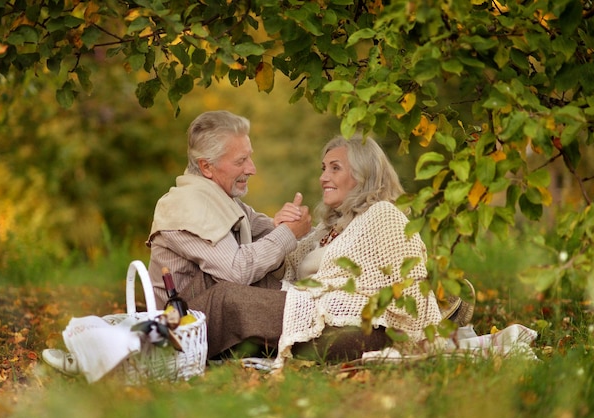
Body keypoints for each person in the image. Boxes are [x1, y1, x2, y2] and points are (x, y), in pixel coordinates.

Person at [146, 110, 312, 358]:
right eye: (240, 161)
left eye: (250, 157)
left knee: (270, 284)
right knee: (233, 295)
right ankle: (323, 326)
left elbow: (261, 228)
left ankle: (325, 314)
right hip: (181, 329)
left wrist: (284, 224)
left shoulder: (219, 198)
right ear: (206, 166)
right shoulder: (187, 205)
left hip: (208, 312)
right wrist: (287, 234)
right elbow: (237, 270)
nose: (252, 169)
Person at [273, 134, 448, 363]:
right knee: (232, 298)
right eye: (324, 168)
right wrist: (281, 230)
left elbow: (411, 283)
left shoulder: (383, 214)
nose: (323, 177)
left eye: (335, 168)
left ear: (363, 175)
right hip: (314, 317)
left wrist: (419, 339)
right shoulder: (329, 227)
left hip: (359, 329)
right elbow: (285, 269)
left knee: (230, 302)